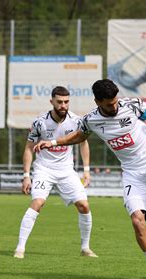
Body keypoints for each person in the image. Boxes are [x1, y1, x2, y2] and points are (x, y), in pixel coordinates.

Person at [34, 79, 146, 279]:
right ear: (98, 101)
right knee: (137, 221)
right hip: (132, 173)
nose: (114, 106)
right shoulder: (91, 119)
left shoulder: (132, 105)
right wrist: (53, 142)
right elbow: (77, 136)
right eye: (108, 104)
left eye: (115, 101)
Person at [14, 86, 97, 259]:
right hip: (44, 169)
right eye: (59, 102)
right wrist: (26, 175)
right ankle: (20, 249)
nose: (63, 105)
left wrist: (87, 170)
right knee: (38, 202)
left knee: (84, 205)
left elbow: (83, 143)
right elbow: (29, 148)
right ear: (51, 101)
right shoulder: (40, 122)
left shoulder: (76, 121)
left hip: (66, 171)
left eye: (66, 102)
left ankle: (85, 248)